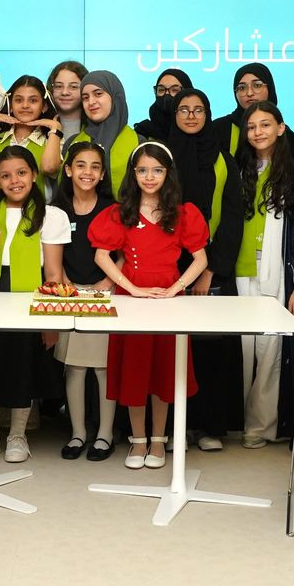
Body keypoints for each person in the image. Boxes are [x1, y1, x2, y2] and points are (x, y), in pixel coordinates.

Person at [89, 142, 210, 469]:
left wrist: (175, 289)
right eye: (142, 170)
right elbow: (102, 256)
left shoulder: (182, 213)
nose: (149, 177)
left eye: (157, 170)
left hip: (168, 301)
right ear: (133, 173)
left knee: (164, 371)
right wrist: (130, 288)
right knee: (135, 370)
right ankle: (138, 440)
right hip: (132, 300)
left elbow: (200, 259)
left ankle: (159, 439)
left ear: (168, 173)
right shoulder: (121, 212)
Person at [0, 145, 70, 463]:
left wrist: (49, 321)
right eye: (6, 175)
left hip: (28, 294)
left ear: (34, 175)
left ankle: (17, 435)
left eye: (22, 173)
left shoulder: (51, 216)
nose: (15, 181)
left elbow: (53, 273)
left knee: (21, 366)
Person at [158, 87, 245, 451]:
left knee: (209, 350)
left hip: (211, 266)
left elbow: (234, 217)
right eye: (184, 109)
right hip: (165, 266)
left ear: (208, 115)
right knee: (170, 348)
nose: (191, 116)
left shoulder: (224, 159)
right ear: (174, 114)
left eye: (198, 109)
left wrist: (210, 268)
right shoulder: (162, 156)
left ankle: (208, 427)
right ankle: (171, 427)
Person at [233, 101, 294, 448]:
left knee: (269, 349)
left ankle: (260, 427)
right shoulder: (240, 170)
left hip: (276, 271)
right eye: (251, 127)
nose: (257, 132)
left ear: (280, 128)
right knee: (243, 350)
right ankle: (238, 422)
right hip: (240, 268)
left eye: (265, 124)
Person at [50, 141, 119, 460]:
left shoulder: (113, 209)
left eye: (95, 166)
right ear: (68, 170)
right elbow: (53, 254)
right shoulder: (57, 209)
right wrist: (66, 284)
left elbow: (125, 253)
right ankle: (78, 433)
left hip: (107, 293)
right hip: (70, 293)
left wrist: (108, 283)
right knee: (74, 367)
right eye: (80, 165)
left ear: (103, 174)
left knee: (104, 368)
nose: (87, 172)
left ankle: (105, 434)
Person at [69, 69, 140, 197]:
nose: (91, 102)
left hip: (127, 209)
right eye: (85, 98)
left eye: (98, 94)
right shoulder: (73, 143)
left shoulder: (139, 143)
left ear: (114, 96)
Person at [0, 74, 64, 178]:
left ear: (44, 106)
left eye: (33, 100)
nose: (25, 106)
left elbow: (49, 168)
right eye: (19, 100)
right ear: (10, 105)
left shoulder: (52, 138)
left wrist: (55, 128)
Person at [217, 62, 278, 157]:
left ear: (269, 88)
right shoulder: (218, 130)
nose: (249, 93)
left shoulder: (285, 134)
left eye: (257, 85)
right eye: (242, 88)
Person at [133, 68, 193, 140]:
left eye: (175, 90)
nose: (167, 94)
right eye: (161, 90)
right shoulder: (142, 133)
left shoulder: (200, 130)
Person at [47, 60, 87, 140]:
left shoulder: (98, 127)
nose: (64, 92)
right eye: (59, 86)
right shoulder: (39, 126)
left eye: (73, 87)